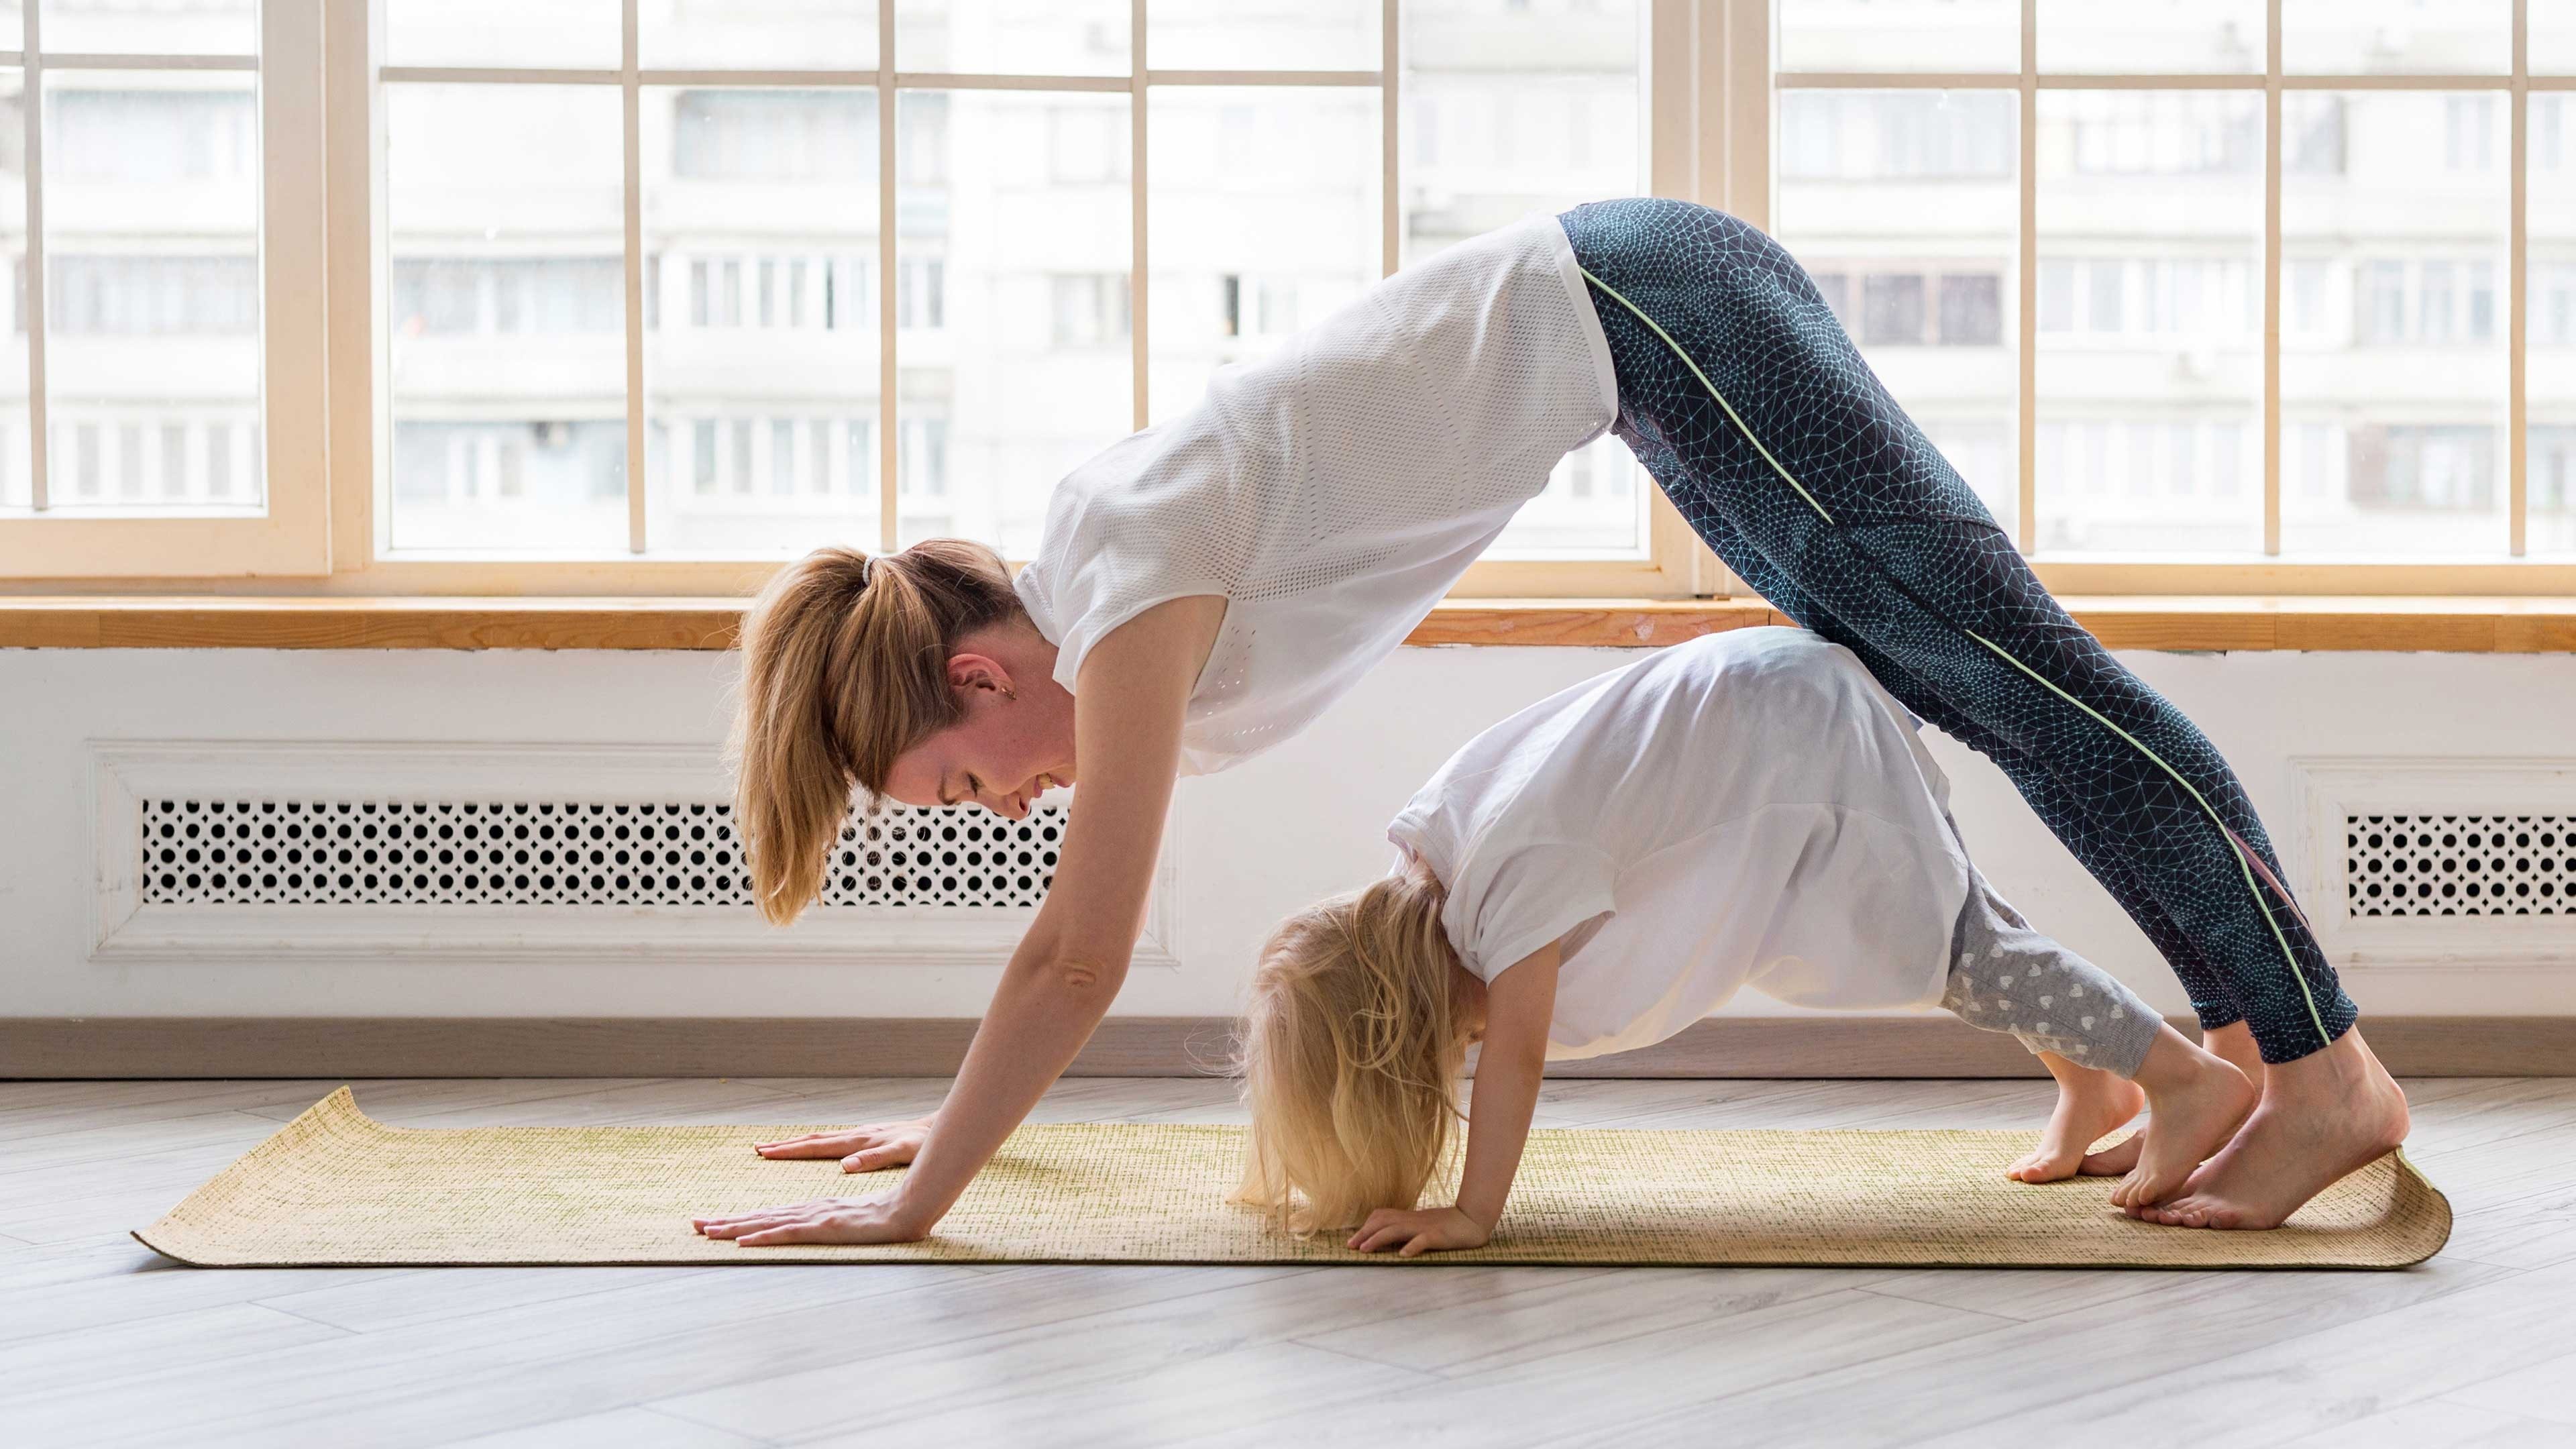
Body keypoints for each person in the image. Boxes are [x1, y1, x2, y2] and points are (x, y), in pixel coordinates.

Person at [690, 198, 2401, 1252]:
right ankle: (2244, 1059)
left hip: (1655, 306)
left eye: (961, 783)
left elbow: (1078, 951)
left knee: (2027, 684)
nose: (1004, 805)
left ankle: (2321, 1072)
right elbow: (1061, 948)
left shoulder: (1122, 593)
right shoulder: (1114, 579)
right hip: (1647, 345)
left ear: (980, 679)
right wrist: (955, 1113)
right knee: (1997, 689)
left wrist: (922, 1199)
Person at [1234, 626, 2264, 1252]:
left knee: (1952, 947)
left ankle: (2183, 1080)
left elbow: (1517, 1055)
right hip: (1768, 706)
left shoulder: (1505, 898)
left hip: (1792, 736)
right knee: (1956, 919)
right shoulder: (1439, 854)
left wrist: (1472, 1213)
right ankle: (2093, 1085)